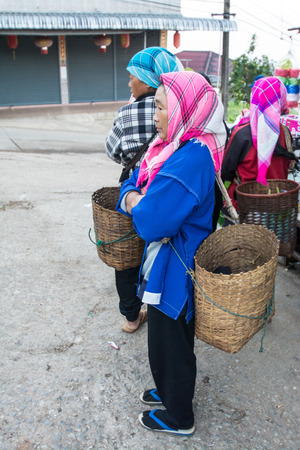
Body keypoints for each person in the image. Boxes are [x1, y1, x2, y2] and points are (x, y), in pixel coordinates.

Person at [116, 71, 227, 434]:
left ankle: (180, 417)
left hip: (177, 272)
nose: (155, 116)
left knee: (172, 343)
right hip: (167, 263)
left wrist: (133, 200)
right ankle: (168, 390)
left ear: (184, 110)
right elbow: (135, 181)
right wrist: (135, 195)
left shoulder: (190, 158)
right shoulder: (175, 147)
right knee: (164, 339)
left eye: (162, 107)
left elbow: (149, 221)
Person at [105, 47, 183, 333]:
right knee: (159, 250)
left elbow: (112, 150)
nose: (129, 83)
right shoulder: (179, 107)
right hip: (166, 199)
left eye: (132, 77)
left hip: (134, 194)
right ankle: (159, 304)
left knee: (126, 256)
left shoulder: (127, 113)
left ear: (148, 80)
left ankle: (131, 316)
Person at [221, 76, 296, 214]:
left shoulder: (241, 134)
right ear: (281, 99)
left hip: (244, 207)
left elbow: (225, 171)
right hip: (277, 206)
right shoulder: (285, 133)